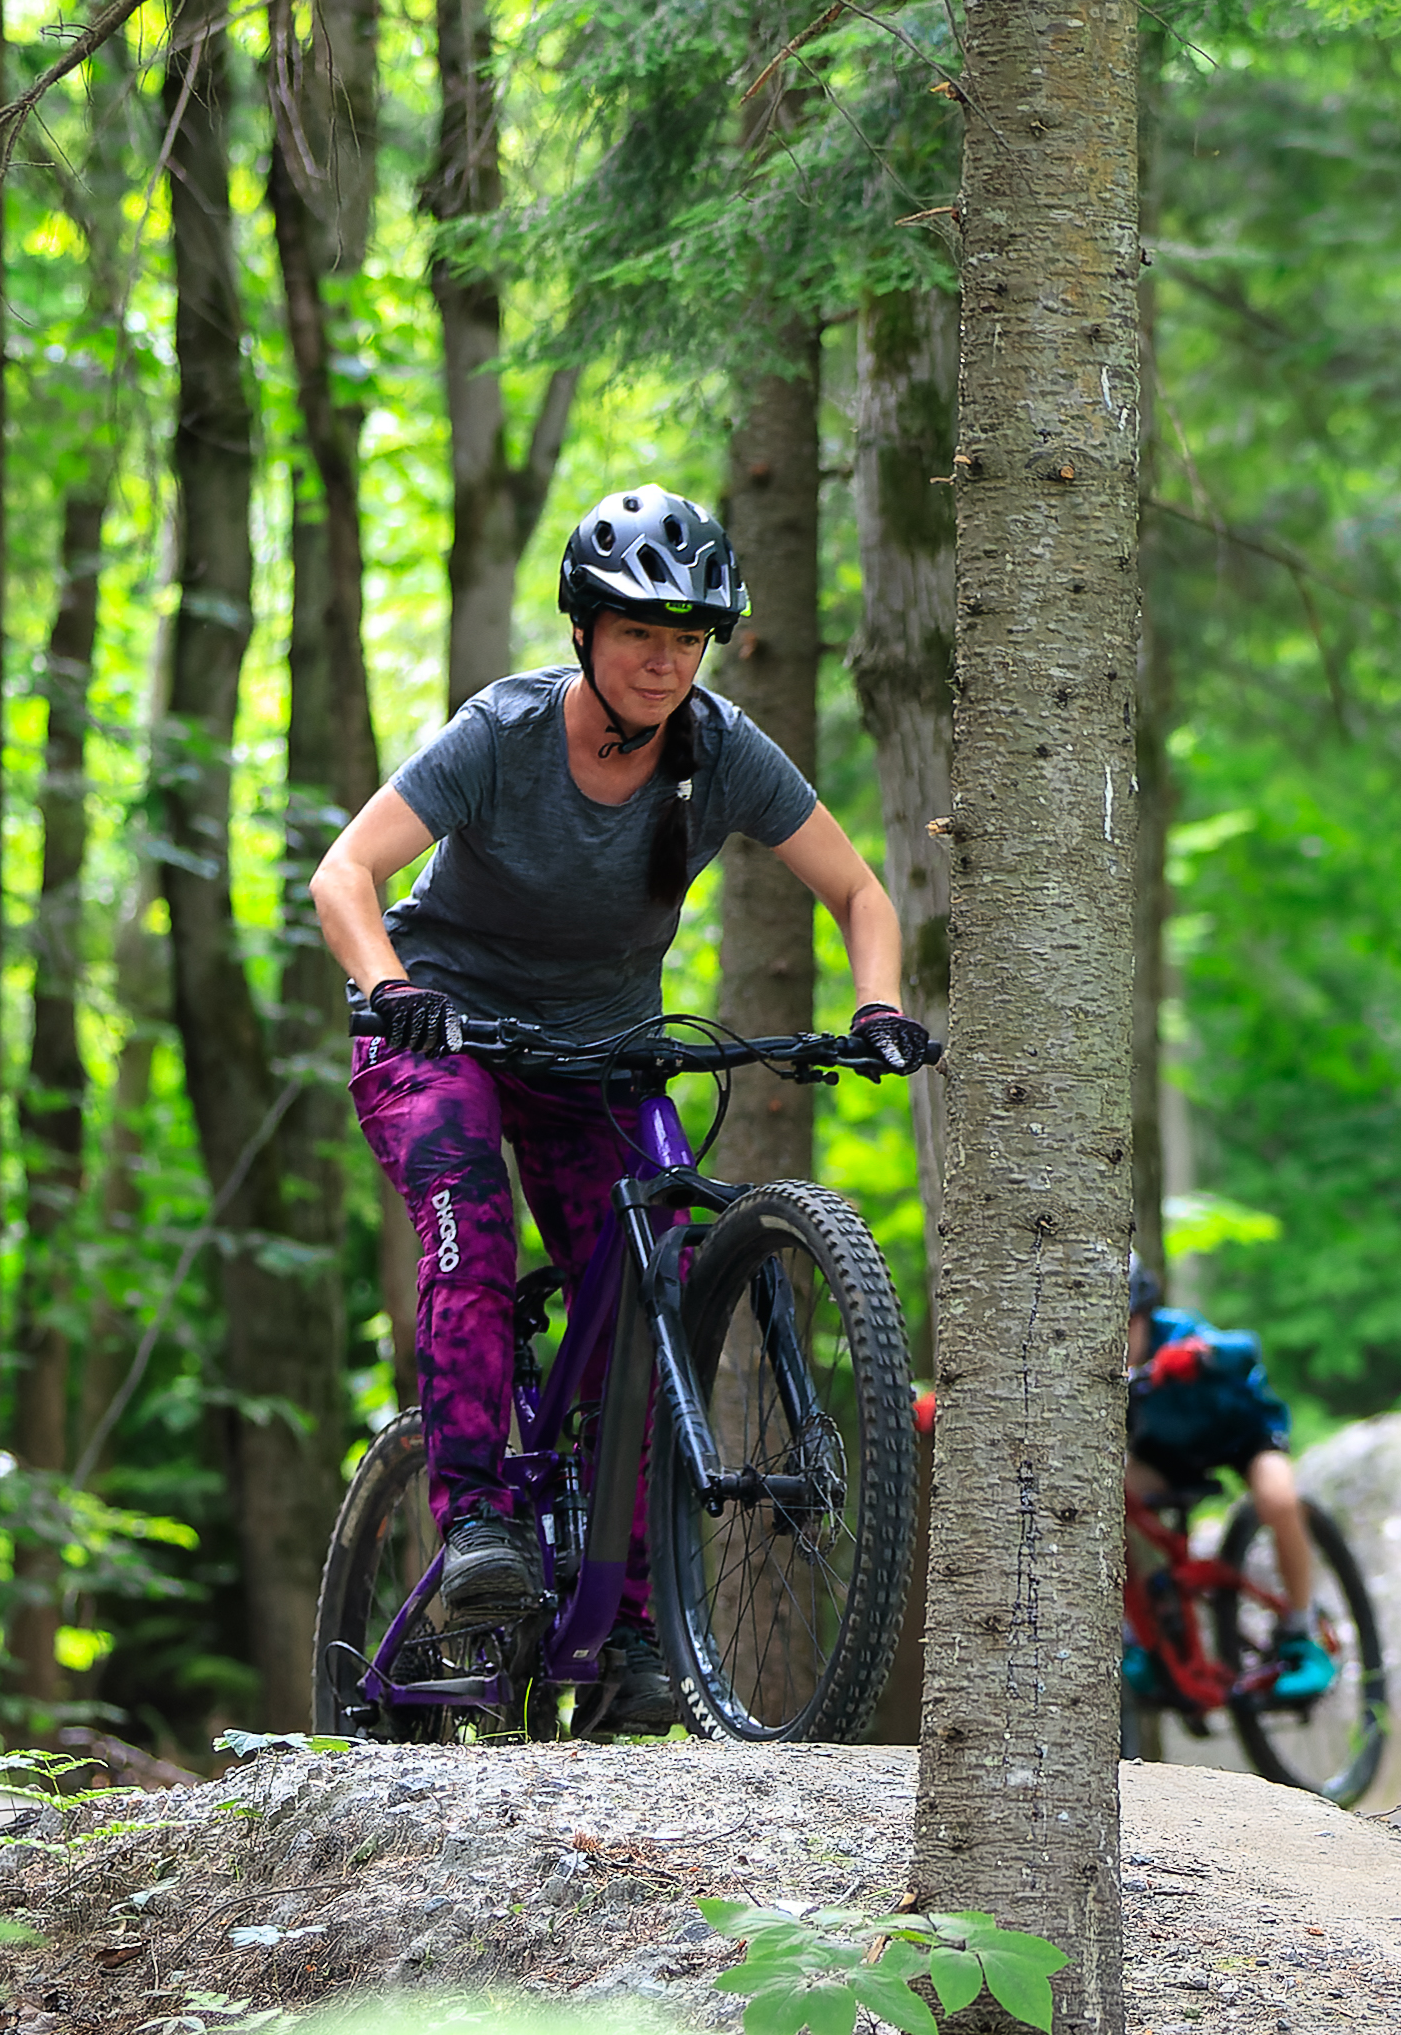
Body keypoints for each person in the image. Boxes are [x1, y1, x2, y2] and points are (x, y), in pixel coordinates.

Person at [306, 484, 936, 1728]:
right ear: (584, 628)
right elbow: (346, 874)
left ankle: (641, 1631)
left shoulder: (721, 748)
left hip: (600, 1052)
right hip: (448, 1030)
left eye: (688, 636)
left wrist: (876, 1008)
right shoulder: (506, 731)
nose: (664, 659)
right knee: (469, 1231)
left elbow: (861, 894)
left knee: (663, 1283)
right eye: (640, 631)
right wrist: (391, 988)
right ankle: (480, 1517)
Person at [1124, 1253, 1339, 1704]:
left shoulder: (1178, 1332)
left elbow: (1244, 1348)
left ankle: (1302, 1628)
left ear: (1144, 1315)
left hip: (1244, 1438)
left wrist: (1198, 1356)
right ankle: (1138, 1632)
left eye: (1126, 1327)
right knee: (1103, 1498)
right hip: (1166, 1456)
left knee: (1278, 1500)